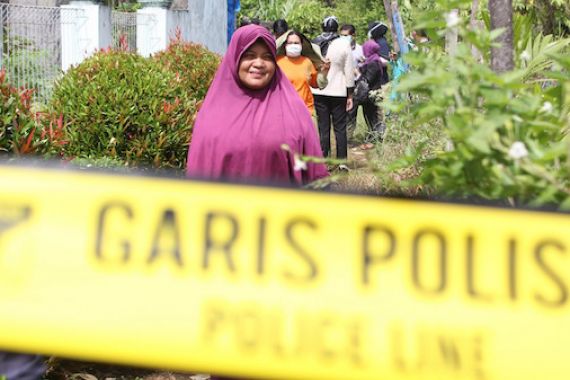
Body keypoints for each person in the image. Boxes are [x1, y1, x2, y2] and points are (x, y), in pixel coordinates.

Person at [186, 24, 329, 185]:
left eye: (267, 57)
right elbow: (199, 173)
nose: (259, 63)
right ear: (235, 58)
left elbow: (314, 173)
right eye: (249, 55)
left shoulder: (295, 110)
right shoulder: (212, 113)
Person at [311, 16, 355, 170]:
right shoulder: (344, 44)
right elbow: (349, 71)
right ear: (336, 28)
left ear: (322, 26)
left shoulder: (314, 43)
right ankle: (341, 163)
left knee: (323, 128)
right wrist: (350, 94)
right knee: (340, 128)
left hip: (318, 90)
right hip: (338, 91)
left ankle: (324, 161)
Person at [277, 30, 330, 114]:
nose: (293, 45)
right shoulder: (277, 63)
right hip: (283, 110)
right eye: (290, 43)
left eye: (296, 43)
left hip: (306, 110)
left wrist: (324, 72)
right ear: (285, 45)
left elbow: (315, 84)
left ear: (302, 45)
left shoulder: (307, 62)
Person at [357, 40, 387, 148]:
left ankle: (374, 140)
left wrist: (358, 73)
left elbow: (368, 78)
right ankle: (372, 138)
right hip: (371, 94)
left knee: (373, 118)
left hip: (372, 95)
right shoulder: (372, 60)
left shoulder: (373, 63)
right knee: (370, 117)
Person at [340, 24, 365, 141]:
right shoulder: (337, 48)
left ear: (353, 35)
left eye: (346, 35)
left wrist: (359, 67)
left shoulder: (360, 49)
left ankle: (348, 136)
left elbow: (365, 65)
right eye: (342, 35)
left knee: (352, 110)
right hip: (341, 84)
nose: (344, 37)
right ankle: (343, 136)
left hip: (355, 84)